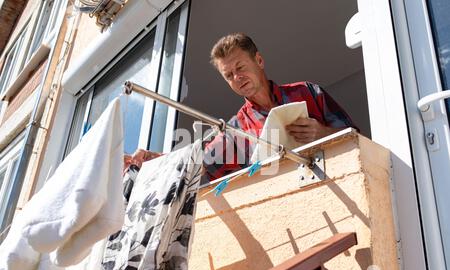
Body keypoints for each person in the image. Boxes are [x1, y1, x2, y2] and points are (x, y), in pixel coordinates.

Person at [124, 32, 357, 180]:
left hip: (340, 184)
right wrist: (154, 160)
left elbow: (356, 139)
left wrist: (323, 132)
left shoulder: (307, 92)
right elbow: (197, 162)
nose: (237, 78)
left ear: (259, 60)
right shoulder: (235, 130)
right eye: (228, 75)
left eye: (241, 67)